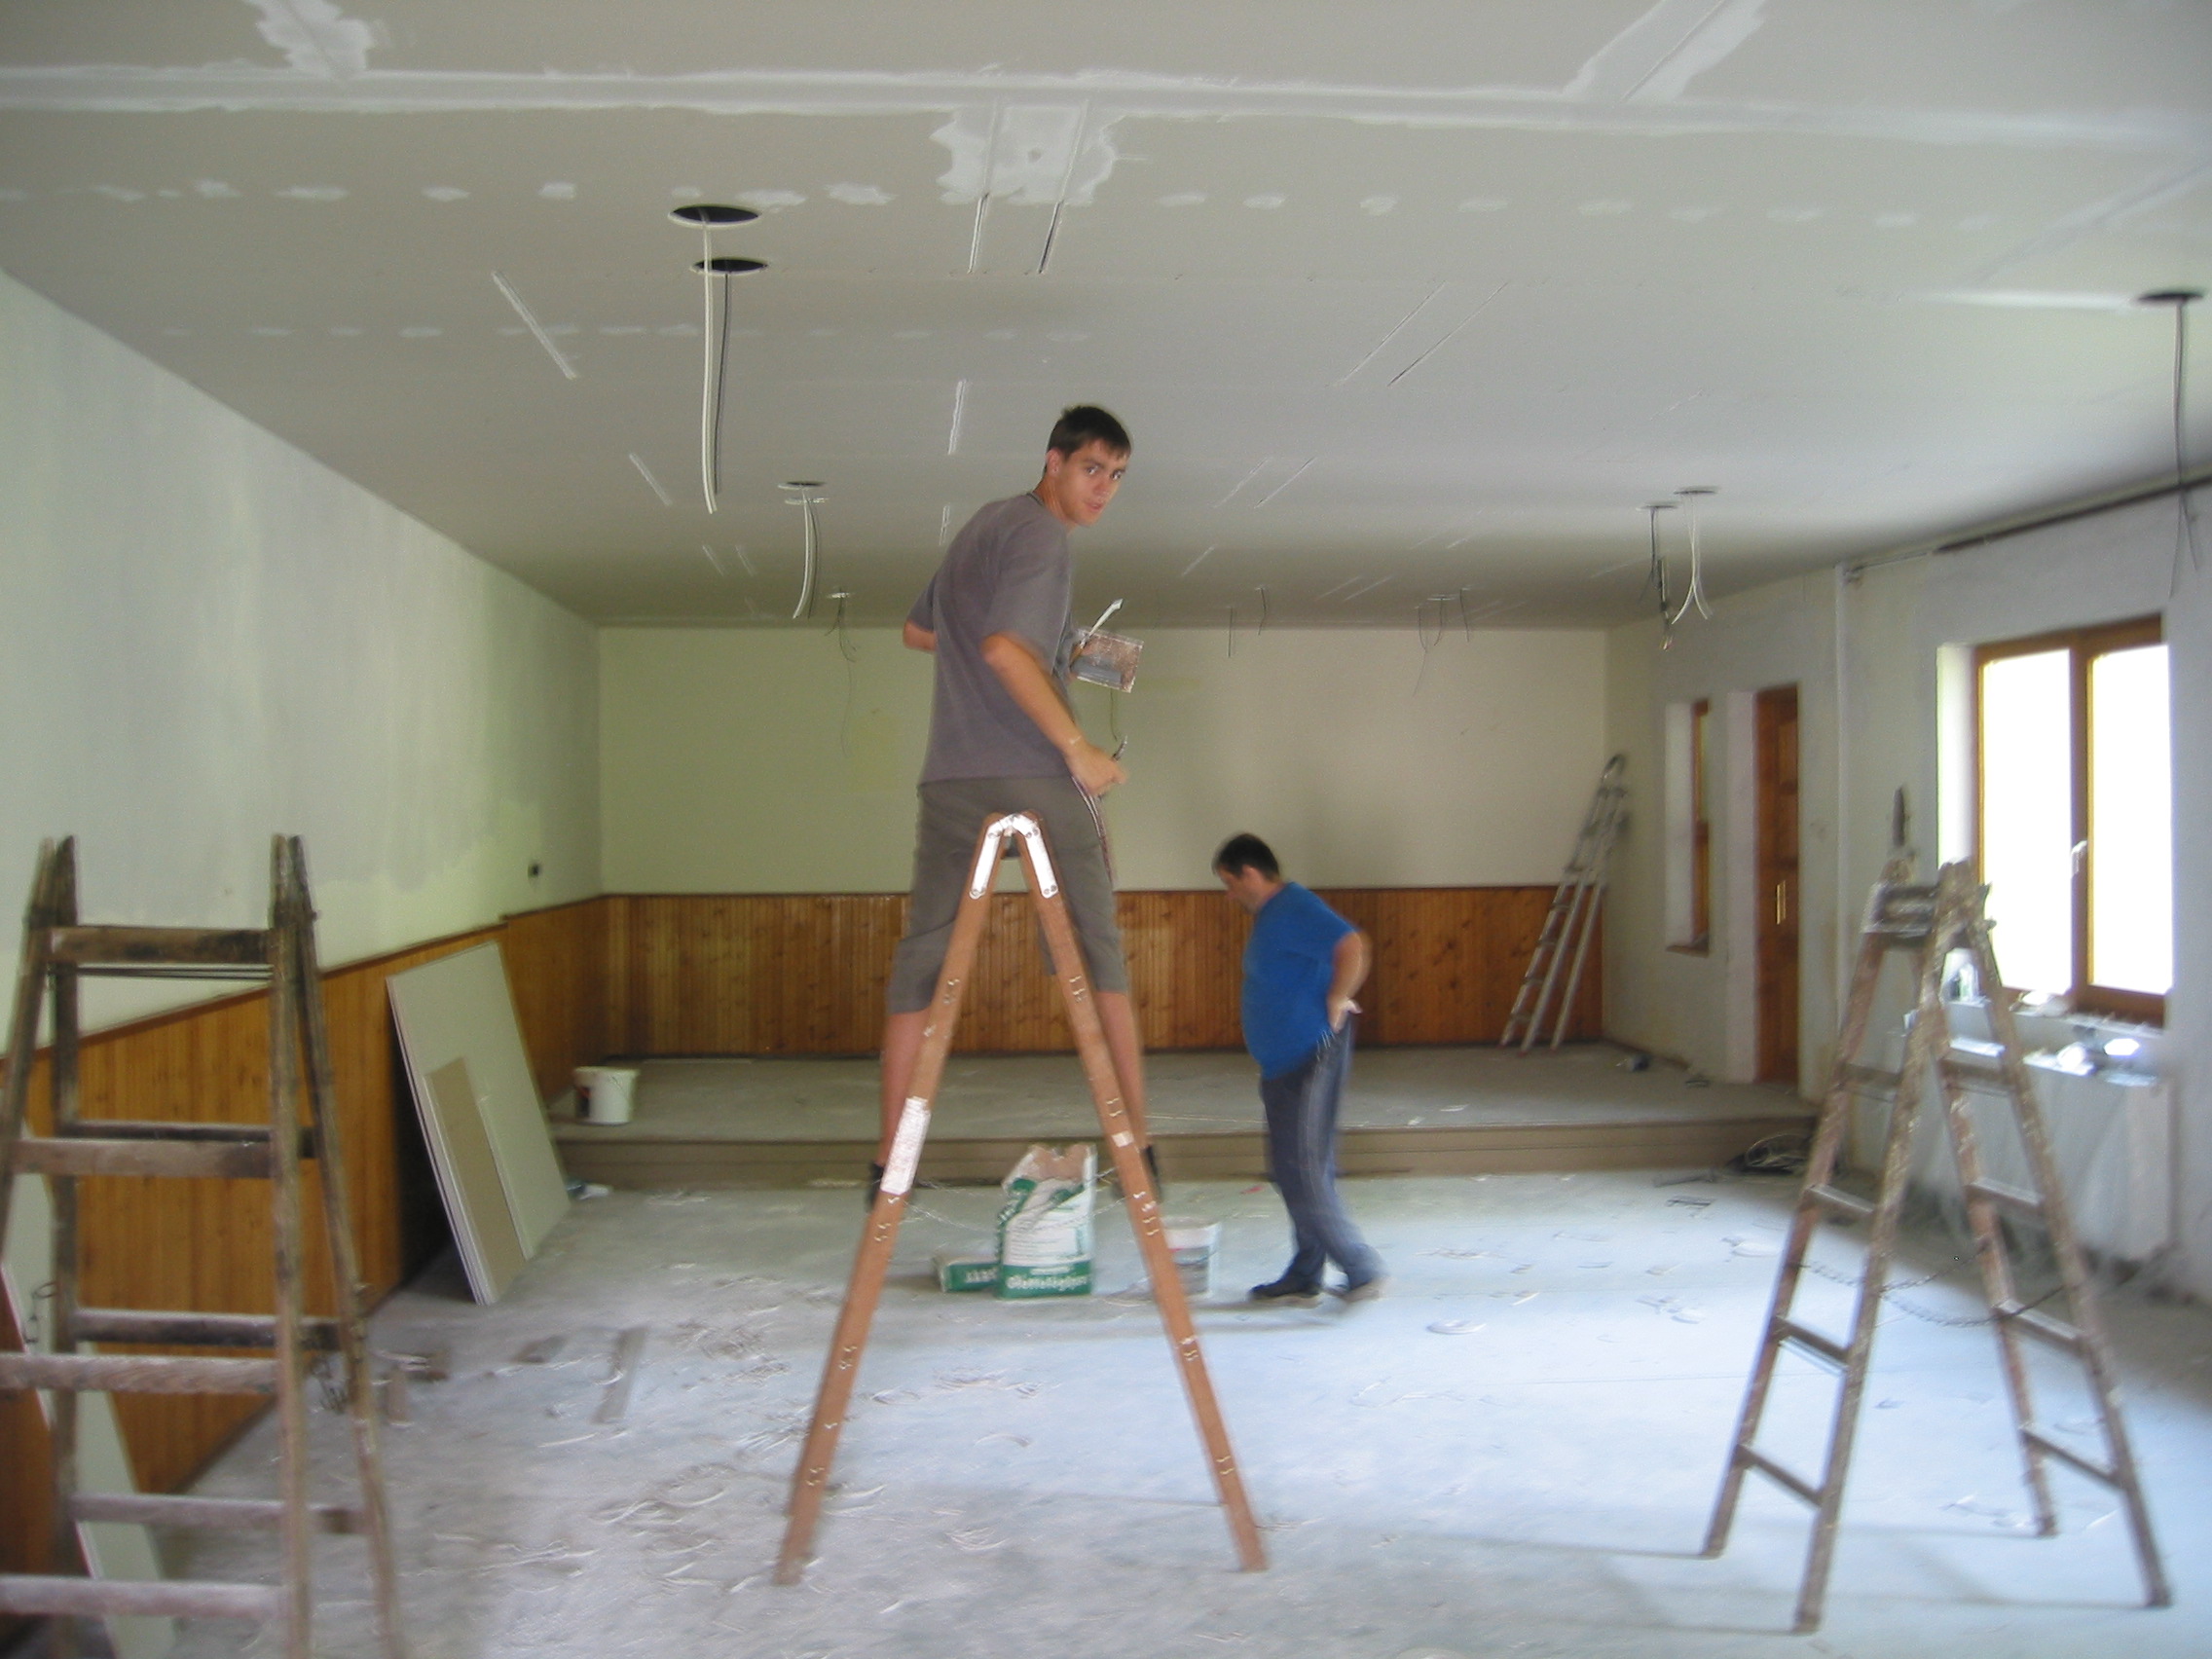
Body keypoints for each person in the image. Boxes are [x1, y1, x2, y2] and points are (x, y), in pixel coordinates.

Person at [875, 405, 1153, 1200]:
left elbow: (921, 632)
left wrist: (1055, 649)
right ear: (1053, 462)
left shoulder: (983, 527)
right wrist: (1079, 749)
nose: (1103, 489)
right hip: (1035, 776)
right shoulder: (1042, 535)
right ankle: (1140, 1150)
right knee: (1096, 949)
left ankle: (888, 1163)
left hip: (951, 780)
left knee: (922, 961)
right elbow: (1002, 648)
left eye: (1117, 476)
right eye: (1092, 469)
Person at [1214, 832, 1386, 1305]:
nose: (1230, 896)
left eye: (1230, 883)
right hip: (1283, 1062)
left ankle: (1361, 1267)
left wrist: (1337, 996)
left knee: (1302, 1168)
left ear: (1251, 873)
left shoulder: (1294, 906)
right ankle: (1306, 1271)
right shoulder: (1276, 915)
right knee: (1293, 1168)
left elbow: (1352, 944)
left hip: (1310, 1055)